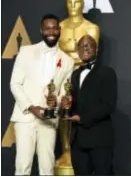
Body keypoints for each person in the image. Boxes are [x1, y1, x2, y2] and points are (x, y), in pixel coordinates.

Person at [10, 14, 74, 175]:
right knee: (23, 166)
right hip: (25, 118)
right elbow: (15, 84)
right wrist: (32, 107)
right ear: (41, 30)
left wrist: (57, 101)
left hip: (49, 120)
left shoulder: (67, 61)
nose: (51, 31)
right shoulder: (26, 51)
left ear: (60, 30)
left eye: (54, 28)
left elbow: (63, 93)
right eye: (47, 28)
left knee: (47, 168)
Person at [61, 35, 117, 175]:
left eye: (89, 45)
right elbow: (74, 103)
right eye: (82, 46)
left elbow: (109, 105)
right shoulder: (74, 75)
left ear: (96, 50)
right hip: (78, 141)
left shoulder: (106, 72)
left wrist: (82, 118)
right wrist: (67, 105)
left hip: (100, 139)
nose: (85, 48)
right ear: (78, 51)